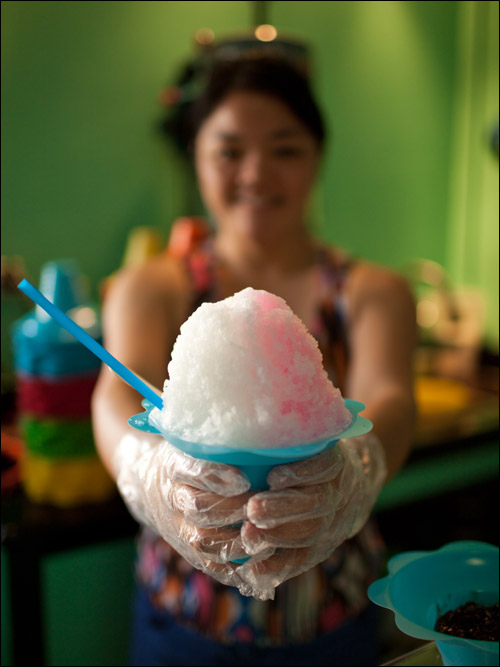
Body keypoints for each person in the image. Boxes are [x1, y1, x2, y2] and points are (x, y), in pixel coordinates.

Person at [91, 48, 416, 666]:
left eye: (286, 149)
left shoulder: (374, 292)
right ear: (196, 157)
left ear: (318, 157)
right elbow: (112, 397)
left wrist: (358, 468)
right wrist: (147, 472)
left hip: (331, 613)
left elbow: (393, 399)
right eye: (230, 150)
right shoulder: (151, 288)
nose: (257, 174)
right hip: (182, 614)